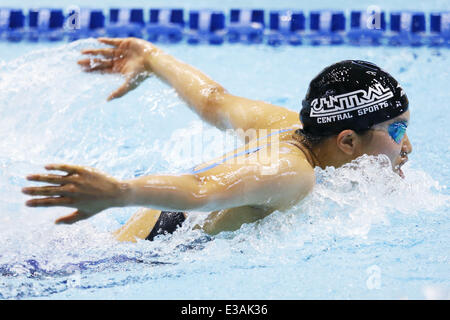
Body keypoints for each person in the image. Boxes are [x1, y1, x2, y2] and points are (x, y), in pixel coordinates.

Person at [21, 37, 412, 242]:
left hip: (159, 221)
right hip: (134, 256)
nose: (407, 146)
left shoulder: (285, 124)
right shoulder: (294, 173)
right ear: (346, 141)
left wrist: (153, 58)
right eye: (397, 130)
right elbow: (202, 188)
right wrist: (118, 192)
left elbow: (213, 101)